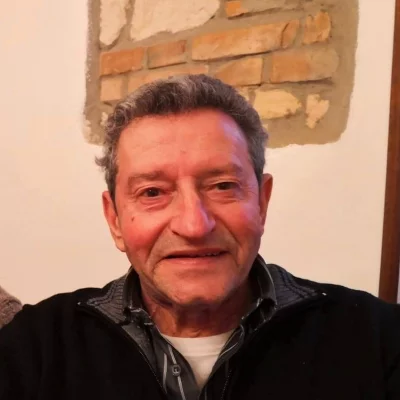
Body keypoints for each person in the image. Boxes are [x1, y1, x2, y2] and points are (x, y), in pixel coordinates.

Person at [0, 74, 399, 400]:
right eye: (152, 192)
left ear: (262, 202)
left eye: (223, 186)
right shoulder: (34, 349)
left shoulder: (378, 341)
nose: (194, 225)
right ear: (115, 219)